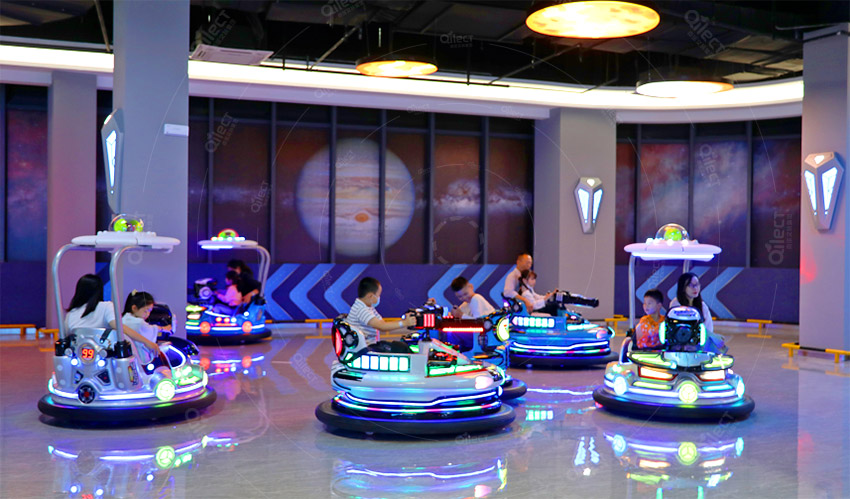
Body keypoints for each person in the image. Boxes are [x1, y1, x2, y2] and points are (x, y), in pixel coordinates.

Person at [64, 274, 151, 353]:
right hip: (103, 356)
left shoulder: (71, 313)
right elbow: (120, 328)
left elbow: (64, 337)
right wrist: (147, 342)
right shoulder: (106, 306)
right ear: (100, 290)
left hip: (77, 355)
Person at [347, 277, 416, 346]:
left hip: (371, 344)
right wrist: (405, 323)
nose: (379, 298)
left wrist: (404, 321)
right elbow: (381, 326)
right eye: (378, 295)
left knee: (401, 345)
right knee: (401, 348)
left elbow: (383, 323)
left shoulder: (368, 307)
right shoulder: (361, 309)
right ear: (370, 296)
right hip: (365, 347)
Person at [669, 272, 727, 354]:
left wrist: (713, 337)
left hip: (698, 339)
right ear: (683, 287)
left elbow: (708, 328)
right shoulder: (676, 304)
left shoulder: (702, 306)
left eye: (697, 284)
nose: (695, 288)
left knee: (717, 342)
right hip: (680, 338)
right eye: (691, 285)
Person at [122, 290, 171, 362]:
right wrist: (164, 328)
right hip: (139, 358)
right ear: (134, 308)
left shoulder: (124, 318)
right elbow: (149, 330)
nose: (148, 314)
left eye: (150, 311)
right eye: (145, 311)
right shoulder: (138, 323)